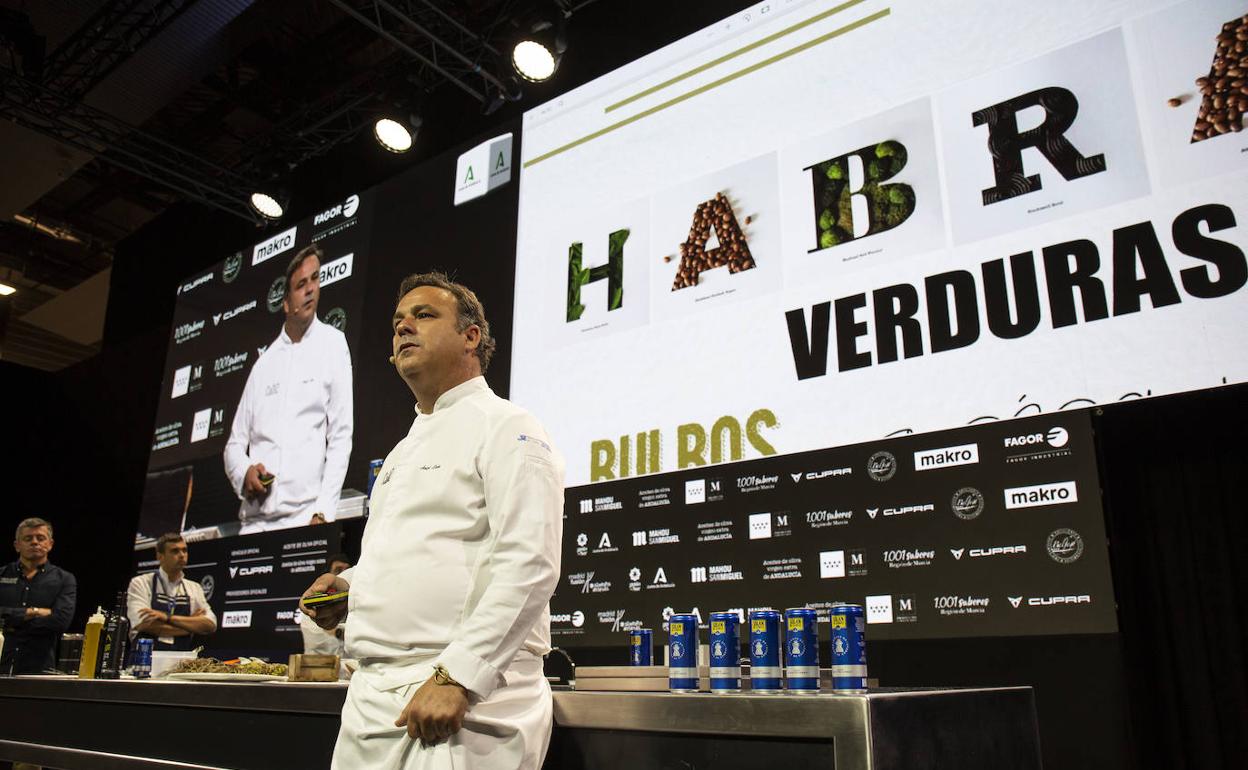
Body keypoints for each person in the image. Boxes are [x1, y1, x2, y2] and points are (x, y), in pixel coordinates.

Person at [301, 272, 564, 770]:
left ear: (471, 337)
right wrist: (347, 589)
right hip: (369, 701)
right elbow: (408, 553)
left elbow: (530, 563)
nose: (403, 327)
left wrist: (459, 677)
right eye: (398, 321)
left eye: (424, 315)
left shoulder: (509, 426)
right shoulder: (401, 452)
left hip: (462, 703)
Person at [224, 243, 354, 534]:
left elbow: (341, 435)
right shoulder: (263, 364)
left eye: (315, 279)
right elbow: (234, 444)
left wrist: (324, 510)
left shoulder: (333, 344)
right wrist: (244, 471)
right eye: (300, 285)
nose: (310, 289)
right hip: (254, 522)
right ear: (284, 303)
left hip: (305, 518)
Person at [0, 518, 77, 674]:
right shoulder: (1, 574)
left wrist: (9, 623)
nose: (35, 542)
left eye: (40, 538)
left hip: (39, 668)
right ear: (17, 545)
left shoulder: (64, 579)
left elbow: (61, 621)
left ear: (50, 544)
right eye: (28, 538)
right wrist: (33, 612)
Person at [126, 533, 217, 650]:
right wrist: (189, 626)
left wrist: (166, 617)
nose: (182, 555)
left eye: (184, 550)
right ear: (160, 556)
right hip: (144, 659)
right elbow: (143, 624)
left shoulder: (194, 588)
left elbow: (210, 624)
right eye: (175, 551)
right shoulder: (141, 583)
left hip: (179, 662)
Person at [297, 553, 351, 657]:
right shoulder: (313, 606)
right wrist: (340, 633)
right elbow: (318, 640)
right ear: (328, 574)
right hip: (315, 669)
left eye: (347, 570)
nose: (344, 574)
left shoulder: (353, 603)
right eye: (338, 570)